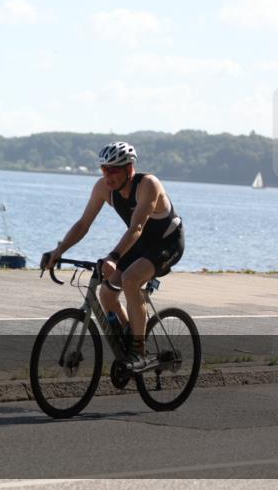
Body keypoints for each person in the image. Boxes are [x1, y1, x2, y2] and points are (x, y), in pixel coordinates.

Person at [42, 141, 184, 370]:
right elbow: (83, 224)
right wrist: (58, 252)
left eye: (114, 170)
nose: (108, 176)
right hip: (139, 244)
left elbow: (136, 228)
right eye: (104, 169)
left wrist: (113, 256)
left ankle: (138, 352)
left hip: (167, 242)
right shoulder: (103, 188)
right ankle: (132, 335)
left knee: (130, 280)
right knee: (107, 293)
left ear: (129, 168)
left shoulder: (148, 185)